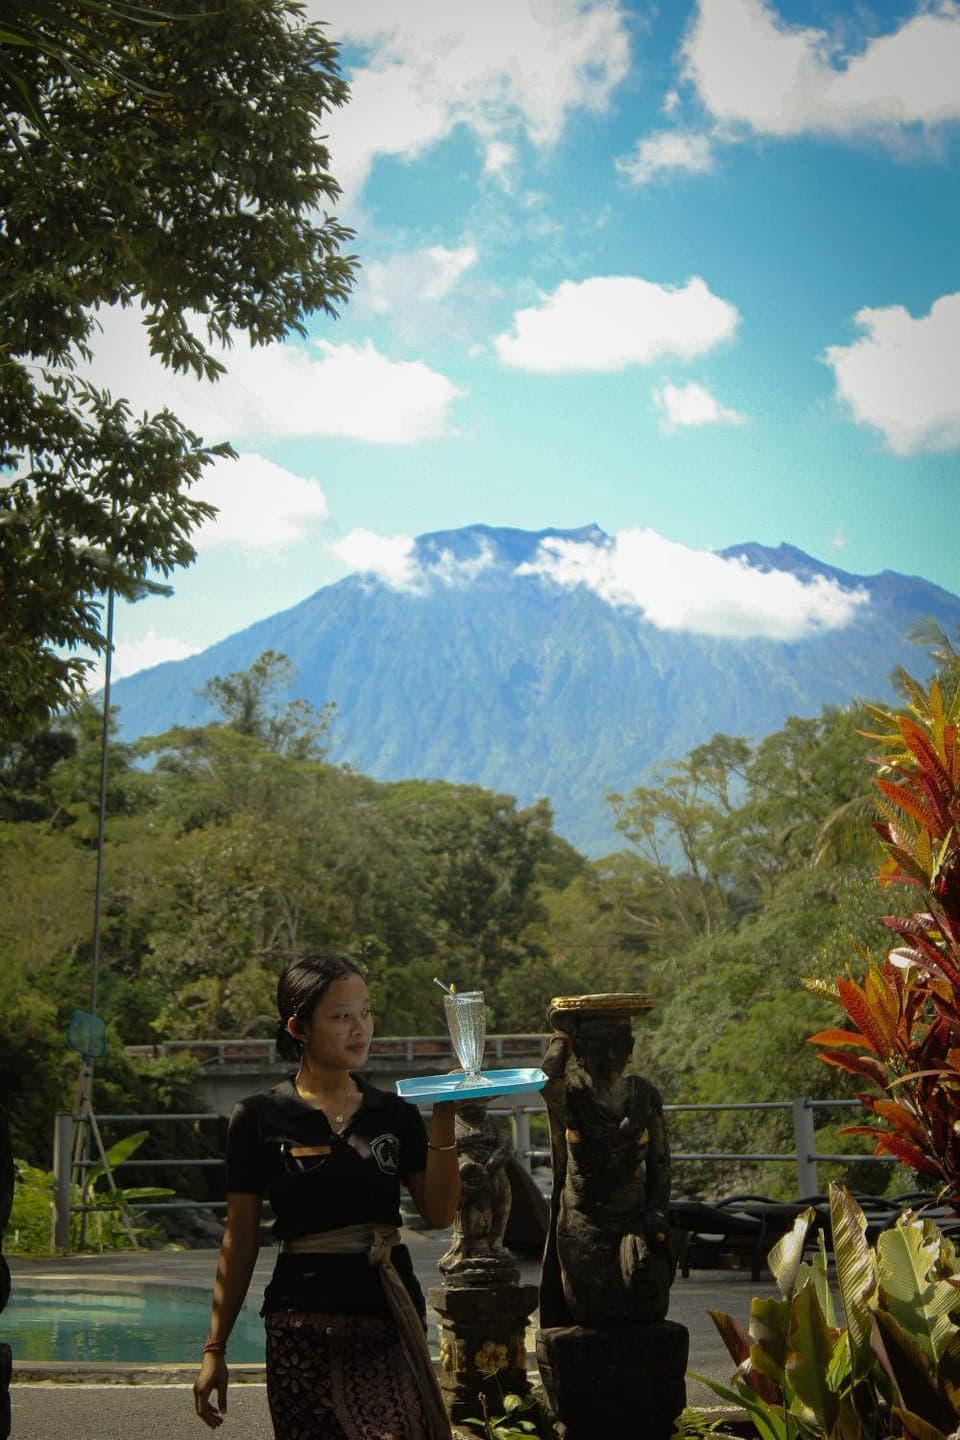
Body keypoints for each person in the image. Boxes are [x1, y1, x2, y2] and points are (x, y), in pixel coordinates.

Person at [193, 952, 459, 1439]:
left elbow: (439, 1214)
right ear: (299, 1027)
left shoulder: (393, 1114)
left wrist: (444, 1116)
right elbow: (240, 1240)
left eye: (366, 1012)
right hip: (300, 1323)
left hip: (388, 1318)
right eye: (341, 1016)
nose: (360, 1028)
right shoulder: (256, 1117)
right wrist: (215, 1349)